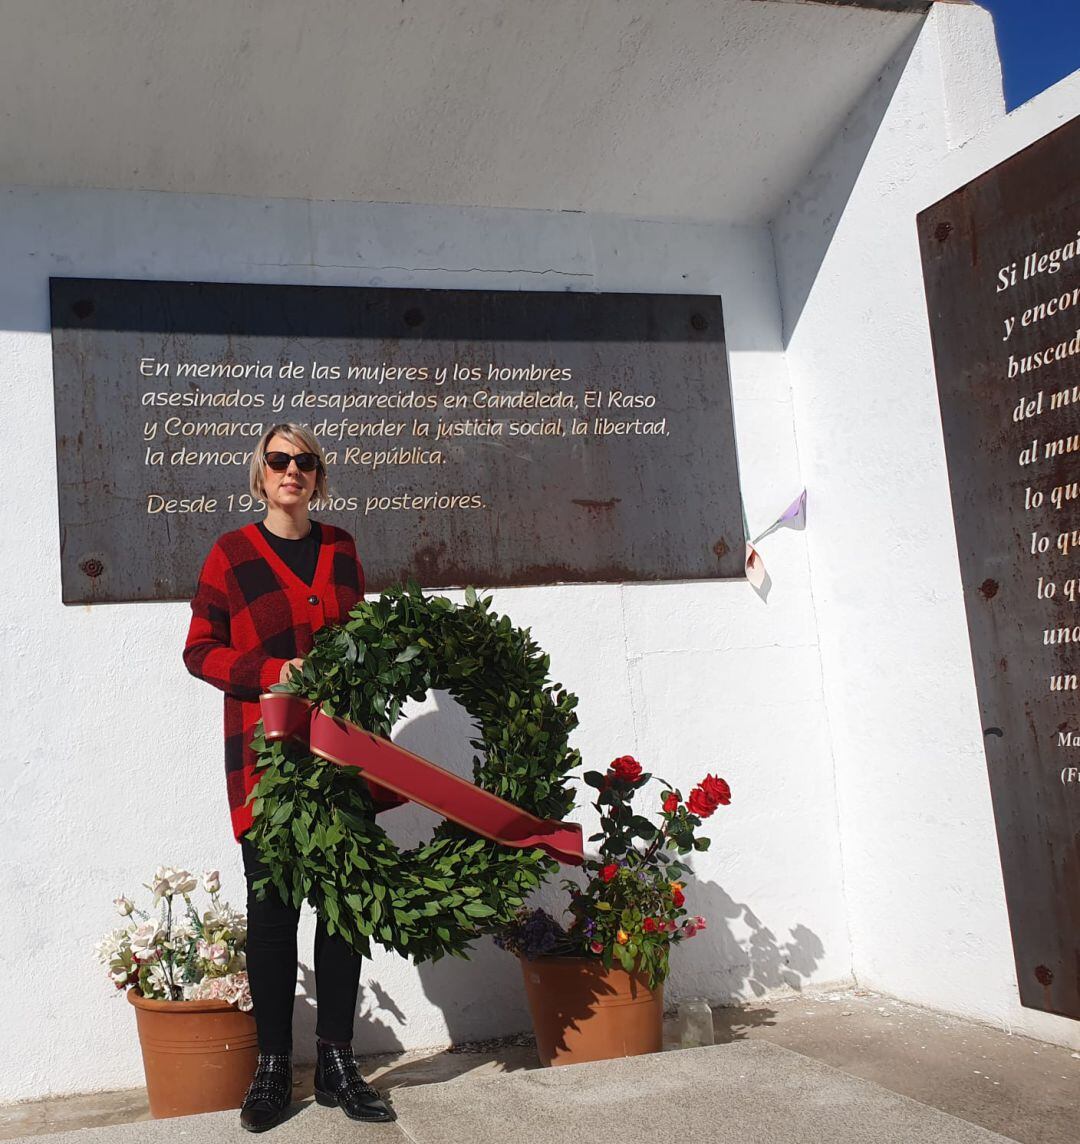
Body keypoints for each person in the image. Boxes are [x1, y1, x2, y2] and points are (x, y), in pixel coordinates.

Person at [183, 423, 394, 1132]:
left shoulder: (341, 549)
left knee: (342, 912)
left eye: (304, 462)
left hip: (339, 760)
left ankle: (337, 1061)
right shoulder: (231, 554)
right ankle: (273, 1067)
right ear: (260, 474)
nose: (291, 471)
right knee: (273, 917)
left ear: (317, 476)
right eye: (279, 461)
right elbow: (199, 651)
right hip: (267, 768)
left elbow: (360, 640)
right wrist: (274, 673)